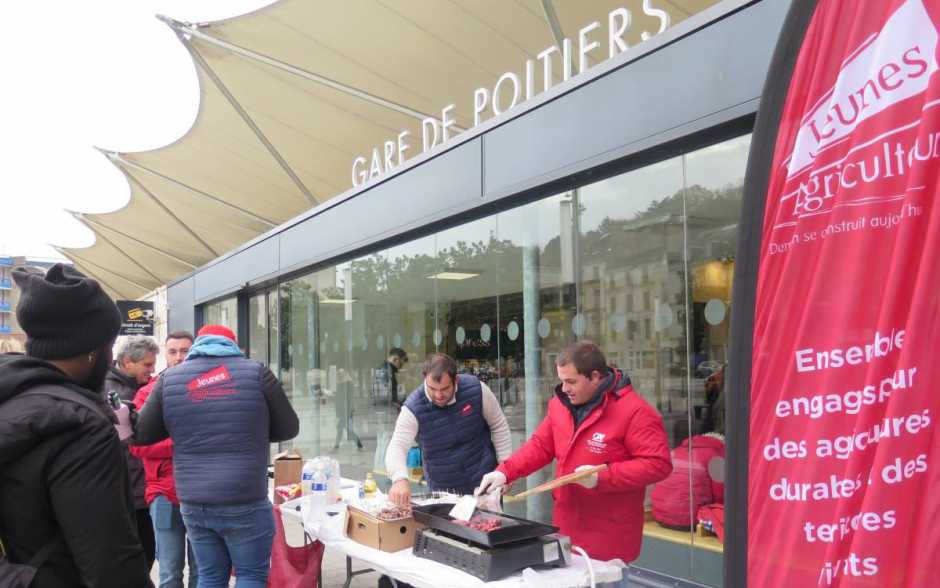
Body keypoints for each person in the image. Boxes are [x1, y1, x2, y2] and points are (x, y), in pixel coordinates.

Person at [0, 264, 152, 587]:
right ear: (93, 351)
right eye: (110, 346)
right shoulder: (83, 427)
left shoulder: (9, 396)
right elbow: (113, 566)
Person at [134, 324, 299, 588]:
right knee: (250, 574)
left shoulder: (170, 380)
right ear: (234, 346)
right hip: (244, 496)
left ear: (197, 346)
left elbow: (141, 434)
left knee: (210, 576)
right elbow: (289, 428)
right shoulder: (257, 373)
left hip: (194, 500)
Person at [476, 341, 672, 563]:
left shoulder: (635, 411)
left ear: (595, 376)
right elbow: (540, 445)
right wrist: (505, 472)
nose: (565, 388)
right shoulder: (560, 405)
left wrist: (602, 477)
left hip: (609, 533)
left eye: (571, 381)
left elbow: (658, 464)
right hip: (567, 524)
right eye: (561, 381)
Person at [387, 353, 512, 504]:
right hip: (444, 493)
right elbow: (397, 445)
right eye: (432, 388)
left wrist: (505, 469)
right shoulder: (413, 408)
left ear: (456, 380)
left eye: (445, 388)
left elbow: (499, 426)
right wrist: (400, 478)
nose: (438, 395)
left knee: (490, 527)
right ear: (425, 378)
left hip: (486, 485)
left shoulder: (477, 389)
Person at [130, 331, 199, 588]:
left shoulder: (206, 388)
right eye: (173, 351)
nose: (179, 357)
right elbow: (136, 445)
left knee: (202, 570)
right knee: (170, 572)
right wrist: (181, 441)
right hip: (163, 492)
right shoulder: (148, 392)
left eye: (185, 350)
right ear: (165, 355)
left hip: (202, 491)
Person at [105, 336, 159, 571]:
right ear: (127, 362)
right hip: (127, 489)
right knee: (137, 558)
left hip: (145, 486)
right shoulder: (108, 392)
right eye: (147, 365)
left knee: (147, 554)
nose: (152, 369)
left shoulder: (149, 386)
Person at [333, 368, 363, 450]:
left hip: (345, 411)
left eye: (339, 375)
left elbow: (340, 399)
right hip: (345, 411)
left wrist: (333, 396)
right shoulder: (347, 384)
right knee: (340, 428)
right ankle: (336, 445)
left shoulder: (345, 385)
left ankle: (358, 444)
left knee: (346, 429)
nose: (337, 377)